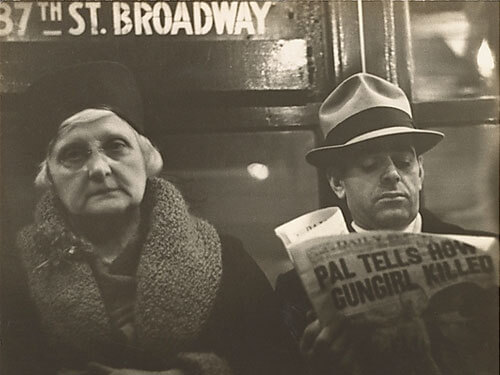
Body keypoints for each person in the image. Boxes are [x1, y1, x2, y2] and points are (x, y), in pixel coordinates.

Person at [6, 61, 298, 375]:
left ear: (146, 160)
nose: (100, 169)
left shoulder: (229, 261)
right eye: (74, 154)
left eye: (116, 146)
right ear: (48, 176)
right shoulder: (13, 275)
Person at [275, 73, 498, 375]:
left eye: (404, 162)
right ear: (337, 183)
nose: (392, 174)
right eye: (370, 165)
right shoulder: (297, 289)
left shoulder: (486, 256)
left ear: (420, 173)